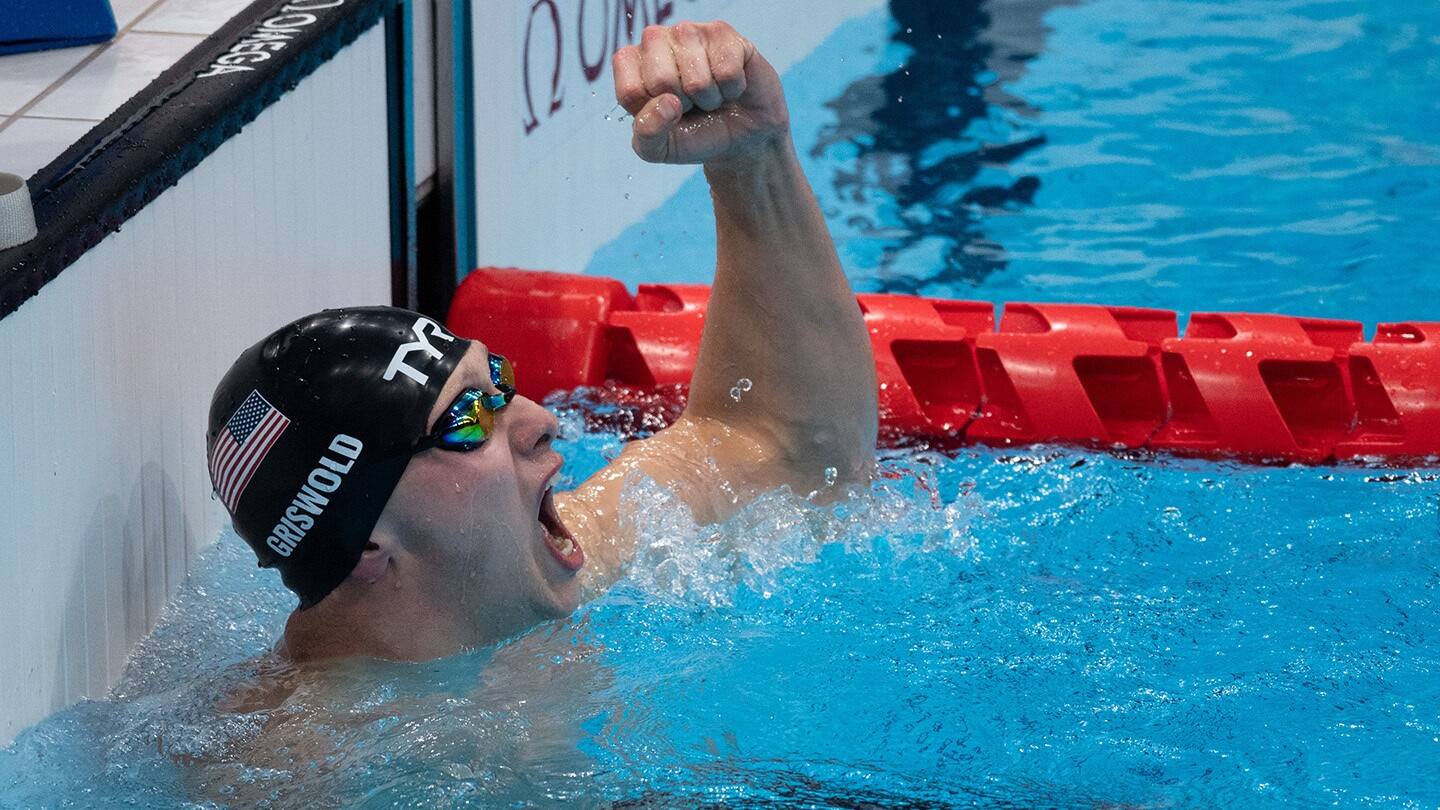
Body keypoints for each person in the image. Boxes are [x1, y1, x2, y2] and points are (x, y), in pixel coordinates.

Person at [207, 20, 877, 663]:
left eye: (497, 382)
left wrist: (753, 159)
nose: (541, 422)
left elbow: (788, 456)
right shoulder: (305, 770)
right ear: (365, 548)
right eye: (468, 420)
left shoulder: (519, 566)